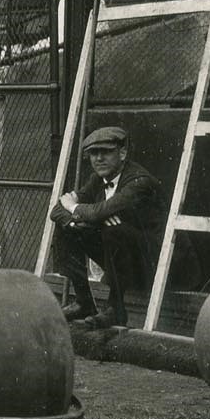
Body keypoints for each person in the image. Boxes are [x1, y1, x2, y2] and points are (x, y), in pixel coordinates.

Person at [48, 126, 167, 330]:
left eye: (106, 152)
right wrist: (75, 219)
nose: (99, 159)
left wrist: (76, 208)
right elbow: (56, 211)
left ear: (122, 153)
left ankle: (116, 308)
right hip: (121, 259)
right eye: (94, 153)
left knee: (114, 231)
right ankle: (84, 302)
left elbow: (94, 212)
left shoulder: (139, 181)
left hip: (154, 262)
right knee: (66, 227)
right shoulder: (98, 179)